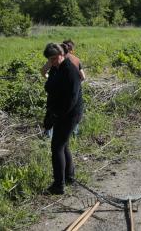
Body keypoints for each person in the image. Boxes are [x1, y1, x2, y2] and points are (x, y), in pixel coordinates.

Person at [42, 42, 83, 195]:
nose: (52, 62)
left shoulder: (70, 71)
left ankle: (59, 185)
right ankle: (69, 176)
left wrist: (57, 115)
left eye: (54, 58)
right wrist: (50, 114)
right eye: (49, 59)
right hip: (58, 112)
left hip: (70, 114)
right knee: (63, 145)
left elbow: (71, 99)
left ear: (61, 55)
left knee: (57, 146)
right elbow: (49, 88)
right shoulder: (56, 69)